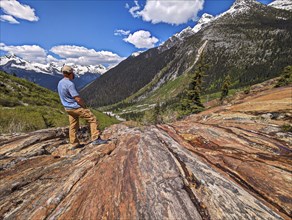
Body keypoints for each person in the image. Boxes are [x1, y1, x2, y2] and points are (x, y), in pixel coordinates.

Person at [57, 65, 108, 148]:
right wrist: (84, 106)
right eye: (73, 72)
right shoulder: (70, 84)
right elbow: (77, 98)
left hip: (67, 108)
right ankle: (96, 139)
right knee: (93, 119)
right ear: (70, 73)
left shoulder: (60, 83)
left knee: (73, 125)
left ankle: (74, 143)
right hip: (75, 107)